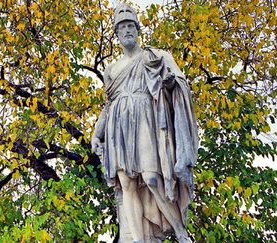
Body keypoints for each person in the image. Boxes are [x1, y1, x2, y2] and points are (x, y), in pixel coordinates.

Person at [91, 3, 198, 243]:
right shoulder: (111, 69)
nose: (127, 30)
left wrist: (171, 84)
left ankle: (180, 232)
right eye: (122, 27)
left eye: (131, 26)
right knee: (127, 185)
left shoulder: (156, 57)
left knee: (151, 178)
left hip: (146, 123)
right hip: (118, 127)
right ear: (116, 34)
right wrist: (96, 134)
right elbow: (108, 107)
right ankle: (138, 240)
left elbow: (178, 83)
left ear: (137, 30)